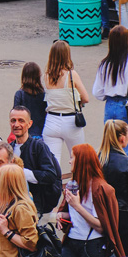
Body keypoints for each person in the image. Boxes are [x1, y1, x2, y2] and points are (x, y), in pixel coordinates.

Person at [48, 143, 125, 257]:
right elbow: (71, 213)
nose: (69, 161)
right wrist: (62, 215)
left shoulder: (100, 188)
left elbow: (102, 226)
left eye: (72, 157)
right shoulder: (73, 185)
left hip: (93, 247)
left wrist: (77, 206)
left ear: (81, 161)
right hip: (71, 244)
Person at [91, 26, 128, 158]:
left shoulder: (105, 64)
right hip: (127, 107)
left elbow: (97, 92)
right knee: (127, 147)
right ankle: (125, 170)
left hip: (110, 106)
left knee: (110, 147)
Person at [43, 40, 89, 172]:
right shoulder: (71, 75)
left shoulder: (46, 76)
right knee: (79, 160)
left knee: (53, 163)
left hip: (51, 121)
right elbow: (86, 98)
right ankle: (77, 183)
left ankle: (55, 184)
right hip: (71, 122)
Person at [9, 106, 63, 215]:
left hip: (34, 206)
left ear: (29, 124)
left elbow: (50, 175)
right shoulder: (9, 148)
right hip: (11, 205)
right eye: (13, 120)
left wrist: (20, 172)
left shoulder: (38, 147)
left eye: (21, 121)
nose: (16, 124)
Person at [99, 120, 128, 257]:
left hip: (100, 212)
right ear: (122, 138)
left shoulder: (98, 159)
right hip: (122, 215)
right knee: (123, 255)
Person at [14, 61, 47, 137]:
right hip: (41, 131)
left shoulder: (20, 94)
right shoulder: (43, 94)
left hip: (24, 133)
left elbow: (15, 113)